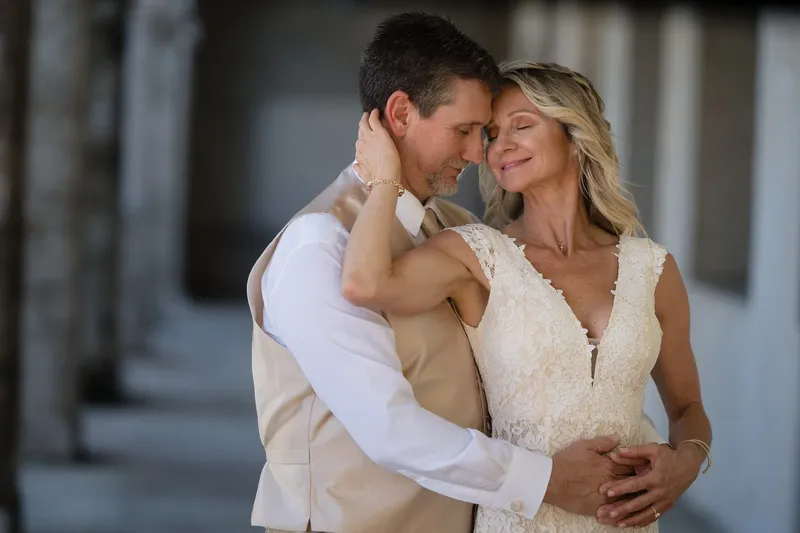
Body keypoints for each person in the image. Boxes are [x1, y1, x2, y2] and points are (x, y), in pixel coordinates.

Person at [246, 13, 658, 533]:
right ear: (400, 114)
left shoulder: (459, 230)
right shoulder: (319, 245)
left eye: (480, 133)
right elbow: (388, 429)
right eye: (464, 131)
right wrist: (547, 481)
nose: (476, 153)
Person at [341, 59, 712, 532]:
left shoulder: (653, 268)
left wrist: (686, 463)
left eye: (523, 126)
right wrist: (385, 182)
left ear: (574, 134)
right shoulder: (478, 256)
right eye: (492, 134)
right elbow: (365, 283)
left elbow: (688, 410)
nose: (501, 147)